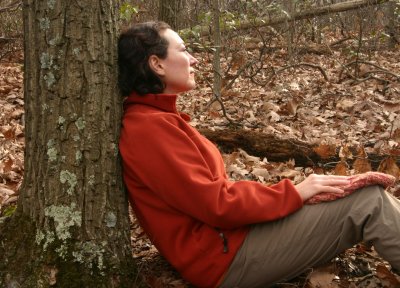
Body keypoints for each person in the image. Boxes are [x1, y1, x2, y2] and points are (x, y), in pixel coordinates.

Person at [118, 21, 400, 288]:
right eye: (183, 50)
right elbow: (218, 204)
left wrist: (297, 196)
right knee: (368, 202)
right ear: (156, 64)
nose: (195, 59)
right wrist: (294, 192)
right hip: (223, 259)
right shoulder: (148, 129)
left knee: (362, 195)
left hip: (231, 242)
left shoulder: (159, 119)